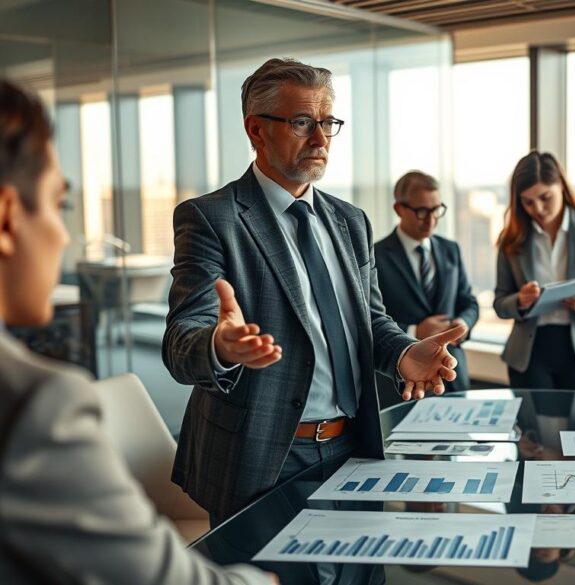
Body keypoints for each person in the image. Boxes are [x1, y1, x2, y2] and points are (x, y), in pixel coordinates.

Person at [162, 58, 465, 526]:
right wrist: (220, 345)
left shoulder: (350, 220)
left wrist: (405, 354)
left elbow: (370, 320)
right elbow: (183, 341)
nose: (321, 139)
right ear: (257, 131)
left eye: (327, 123)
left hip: (355, 444)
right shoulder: (210, 218)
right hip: (264, 454)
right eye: (303, 122)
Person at [0, 81, 274, 584]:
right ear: (7, 218)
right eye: (61, 206)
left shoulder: (348, 221)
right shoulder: (32, 406)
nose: (64, 236)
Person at [494, 151, 575, 391]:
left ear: (561, 187)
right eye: (527, 202)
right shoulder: (512, 239)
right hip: (529, 354)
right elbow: (500, 303)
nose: (538, 208)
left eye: (546, 197)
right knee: (531, 428)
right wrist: (520, 301)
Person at [374, 170, 478, 402]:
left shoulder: (451, 250)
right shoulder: (374, 256)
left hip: (453, 376)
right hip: (404, 383)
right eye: (422, 211)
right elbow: (368, 318)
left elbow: (468, 302)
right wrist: (414, 332)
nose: (431, 219)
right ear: (399, 209)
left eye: (436, 210)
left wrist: (462, 324)